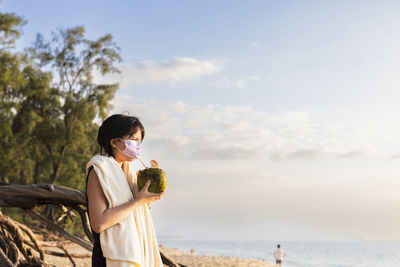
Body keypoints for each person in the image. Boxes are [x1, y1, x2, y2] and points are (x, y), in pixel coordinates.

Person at [85, 114, 165, 267]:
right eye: (134, 141)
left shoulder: (132, 173)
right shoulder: (99, 171)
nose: (138, 145)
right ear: (114, 142)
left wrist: (148, 199)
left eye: (140, 141)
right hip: (109, 257)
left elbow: (135, 214)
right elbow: (99, 223)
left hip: (136, 251)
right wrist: (139, 201)